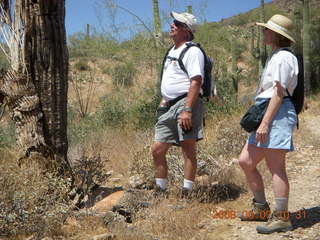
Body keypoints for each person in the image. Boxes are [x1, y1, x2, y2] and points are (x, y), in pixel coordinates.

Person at [238, 14, 299, 234]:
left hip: (277, 113)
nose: (263, 32)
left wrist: (264, 123)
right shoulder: (277, 56)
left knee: (276, 167)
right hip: (269, 110)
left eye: (266, 30)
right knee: (246, 161)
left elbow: (279, 94)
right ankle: (261, 207)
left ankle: (282, 217)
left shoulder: (283, 57)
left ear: (275, 34)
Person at [151, 11, 204, 197]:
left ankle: (186, 192)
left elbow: (196, 81)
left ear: (186, 30)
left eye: (177, 23)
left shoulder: (193, 51)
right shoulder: (171, 51)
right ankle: (161, 190)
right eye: (173, 22)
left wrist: (188, 109)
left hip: (185, 103)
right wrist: (163, 102)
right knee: (157, 149)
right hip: (168, 106)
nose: (172, 25)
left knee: (187, 148)